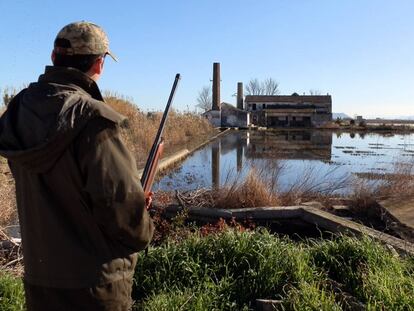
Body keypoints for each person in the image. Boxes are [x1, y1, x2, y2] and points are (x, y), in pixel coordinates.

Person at [0, 22, 154, 310]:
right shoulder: (94, 120)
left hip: (40, 280)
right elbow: (122, 211)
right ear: (99, 63)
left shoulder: (19, 110)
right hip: (96, 286)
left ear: (54, 57)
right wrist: (141, 216)